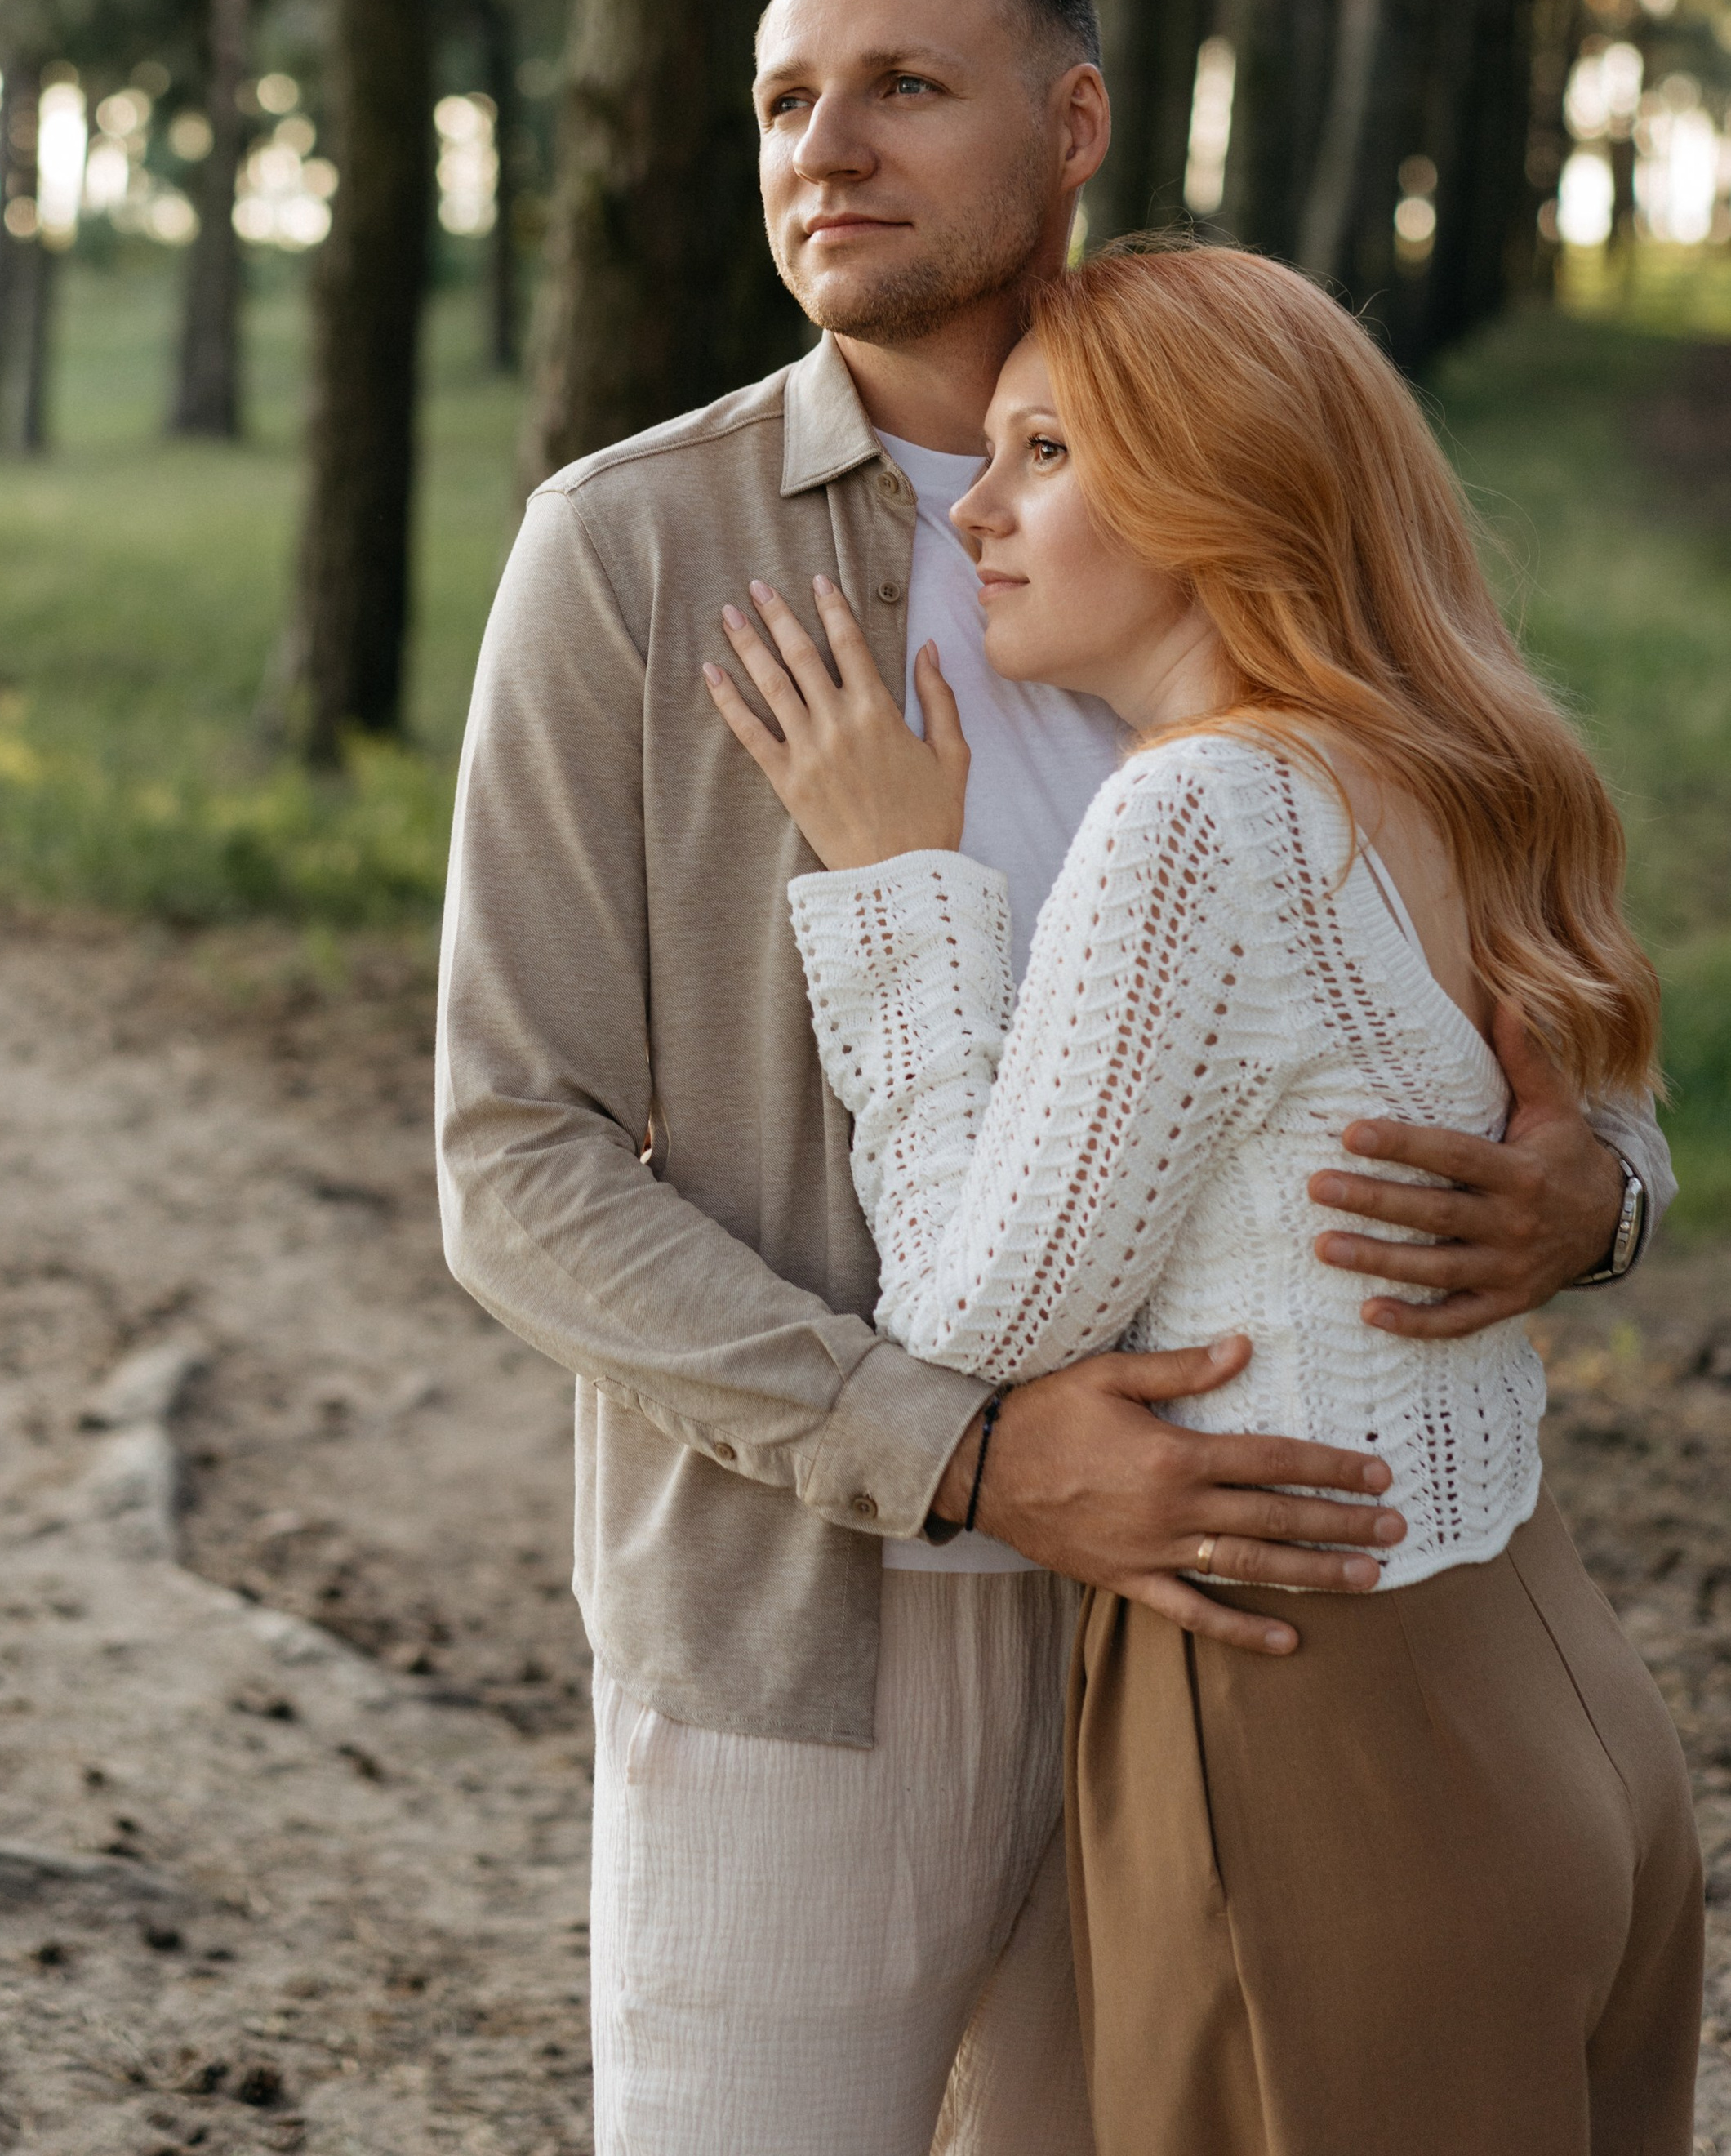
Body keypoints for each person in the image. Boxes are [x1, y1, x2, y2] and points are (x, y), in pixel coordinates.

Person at [435, 0, 1674, 2156]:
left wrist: (1592, 1195)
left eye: (905, 85)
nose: (828, 150)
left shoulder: (1248, 464)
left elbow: (1512, 969)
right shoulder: (633, 554)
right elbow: (512, 1160)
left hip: (1224, 1645)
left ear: (1073, 120)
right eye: (785, 102)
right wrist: (965, 1454)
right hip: (822, 1625)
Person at [708, 238, 1702, 2154]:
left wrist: (896, 887)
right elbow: (1597, 1140)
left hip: (1313, 1724)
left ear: (1218, 492)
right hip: (1546, 1684)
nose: (976, 513)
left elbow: (975, 1318)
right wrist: (1611, 1211)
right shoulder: (1462, 766)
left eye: (1046, 455)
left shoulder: (1199, 811)